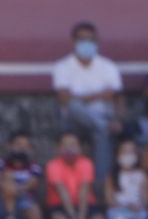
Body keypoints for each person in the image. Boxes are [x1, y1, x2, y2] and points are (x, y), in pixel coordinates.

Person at [52, 20, 123, 186]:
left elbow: (117, 97)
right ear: (73, 42)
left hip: (102, 116)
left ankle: (100, 187)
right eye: (82, 39)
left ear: (97, 42)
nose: (87, 44)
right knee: (75, 107)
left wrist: (118, 120)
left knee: (100, 134)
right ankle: (102, 126)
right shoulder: (62, 66)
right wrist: (100, 95)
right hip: (73, 120)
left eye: (91, 40)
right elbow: (64, 99)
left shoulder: (108, 66)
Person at [45, 131, 105, 219]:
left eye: (72, 144)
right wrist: (72, 215)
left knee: (98, 217)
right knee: (57, 216)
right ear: (58, 148)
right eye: (65, 145)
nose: (69, 148)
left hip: (85, 203)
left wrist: (82, 215)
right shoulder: (53, 165)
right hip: (59, 204)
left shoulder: (86, 163)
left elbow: (84, 189)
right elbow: (62, 191)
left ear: (80, 148)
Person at [104, 138, 148, 219]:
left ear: (136, 155)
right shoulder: (112, 176)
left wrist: (139, 206)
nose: (128, 155)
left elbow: (145, 199)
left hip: (137, 210)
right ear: (118, 155)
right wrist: (125, 206)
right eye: (124, 152)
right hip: (118, 210)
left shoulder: (141, 175)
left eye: (131, 151)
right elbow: (109, 200)